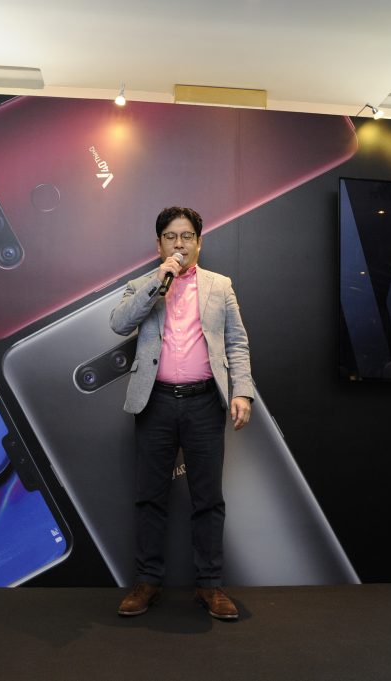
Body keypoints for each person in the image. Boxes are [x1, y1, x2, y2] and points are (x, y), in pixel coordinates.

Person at [109, 206, 254, 620]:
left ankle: (209, 585)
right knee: (150, 497)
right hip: (154, 402)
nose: (179, 244)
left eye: (186, 236)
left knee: (208, 498)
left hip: (204, 402)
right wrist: (158, 282)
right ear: (159, 244)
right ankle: (147, 582)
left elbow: (236, 342)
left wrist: (242, 392)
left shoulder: (220, 286)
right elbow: (119, 324)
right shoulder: (143, 285)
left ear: (199, 242)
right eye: (171, 236)